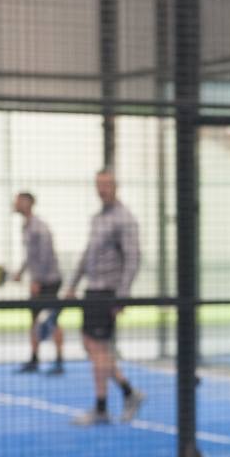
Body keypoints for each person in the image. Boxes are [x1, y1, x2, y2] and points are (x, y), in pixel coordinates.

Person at [66, 169, 145, 426]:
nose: (102, 189)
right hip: (92, 290)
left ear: (116, 186)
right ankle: (129, 392)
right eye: (98, 184)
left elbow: (133, 258)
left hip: (107, 292)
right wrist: (72, 285)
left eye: (107, 184)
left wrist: (122, 296)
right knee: (91, 346)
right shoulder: (97, 219)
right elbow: (87, 254)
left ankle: (102, 408)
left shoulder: (125, 219)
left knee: (98, 348)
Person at [11, 191, 65, 375]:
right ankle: (34, 359)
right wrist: (21, 272)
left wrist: (38, 280)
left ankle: (59, 361)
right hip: (38, 281)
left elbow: (45, 254)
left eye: (18, 200)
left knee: (52, 320)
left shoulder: (38, 227)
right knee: (34, 319)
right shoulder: (25, 226)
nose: (14, 203)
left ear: (28, 203)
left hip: (49, 281)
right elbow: (30, 256)